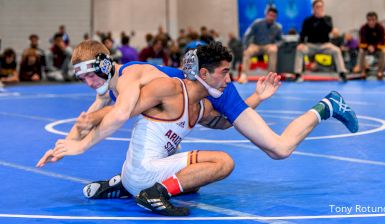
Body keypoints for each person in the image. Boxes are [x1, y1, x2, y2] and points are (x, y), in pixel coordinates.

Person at [36, 41, 358, 216]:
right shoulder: (121, 83)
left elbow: (117, 114)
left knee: (279, 148)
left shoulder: (131, 78)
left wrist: (78, 144)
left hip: (201, 86)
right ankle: (129, 182)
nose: (89, 84)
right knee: (190, 172)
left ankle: (328, 105)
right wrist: (70, 140)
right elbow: (99, 110)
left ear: (104, 66)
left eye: (90, 77)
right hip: (194, 86)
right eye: (83, 80)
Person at [294, 0, 347, 81]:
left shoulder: (327, 19)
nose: (319, 8)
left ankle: (342, 74)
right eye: (317, 7)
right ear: (313, 8)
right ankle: (298, 75)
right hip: (310, 45)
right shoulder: (307, 20)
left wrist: (322, 18)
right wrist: (300, 43)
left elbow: (329, 29)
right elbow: (303, 33)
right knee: (299, 49)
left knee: (336, 50)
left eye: (321, 7)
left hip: (325, 45)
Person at [239, 7, 282, 83]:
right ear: (266, 14)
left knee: (273, 50)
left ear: (276, 17)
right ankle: (244, 75)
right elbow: (247, 35)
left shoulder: (277, 27)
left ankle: (271, 77)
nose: (271, 17)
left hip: (268, 46)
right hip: (256, 45)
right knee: (247, 52)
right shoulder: (257, 23)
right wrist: (246, 47)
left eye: (274, 16)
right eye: (270, 15)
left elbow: (281, 40)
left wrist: (276, 45)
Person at [358, 11, 385, 80]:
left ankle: (380, 72)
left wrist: (375, 47)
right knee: (361, 52)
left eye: (373, 20)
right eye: (369, 20)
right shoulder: (363, 28)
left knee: (383, 52)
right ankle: (363, 72)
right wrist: (368, 47)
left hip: (378, 48)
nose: (371, 22)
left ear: (376, 20)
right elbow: (362, 41)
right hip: (366, 48)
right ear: (367, 20)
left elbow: (383, 41)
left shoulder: (381, 28)